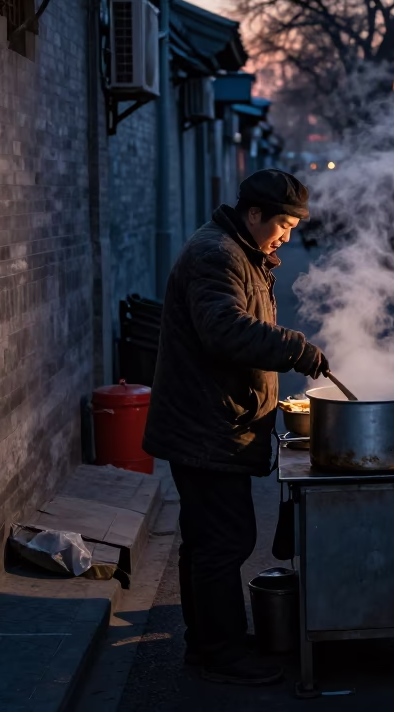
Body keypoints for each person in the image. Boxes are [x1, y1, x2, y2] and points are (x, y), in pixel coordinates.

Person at [143, 169, 331, 686]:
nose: (286, 237)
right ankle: (221, 650)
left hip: (215, 421)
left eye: (292, 228)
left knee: (208, 540)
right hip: (205, 426)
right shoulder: (216, 254)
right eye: (282, 226)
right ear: (253, 215)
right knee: (224, 541)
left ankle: (206, 643)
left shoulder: (242, 253)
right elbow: (223, 328)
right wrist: (293, 346)